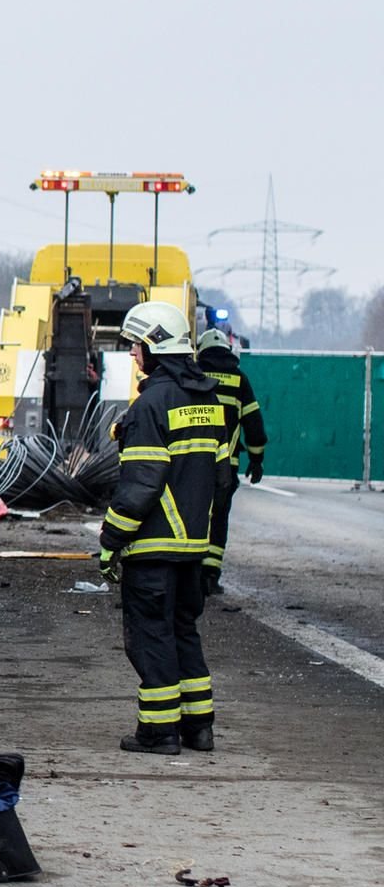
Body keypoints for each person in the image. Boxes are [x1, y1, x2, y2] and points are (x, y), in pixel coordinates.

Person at [98, 302, 228, 755]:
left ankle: (159, 732)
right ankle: (199, 729)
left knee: (151, 640)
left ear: (153, 347)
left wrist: (110, 539)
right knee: (183, 634)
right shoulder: (208, 402)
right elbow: (222, 478)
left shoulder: (150, 404)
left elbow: (140, 485)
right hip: (193, 548)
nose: (134, 355)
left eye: (136, 346)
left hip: (152, 549)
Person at [195, 328, 268, 592]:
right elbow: (254, 424)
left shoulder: (193, 374)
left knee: (192, 514)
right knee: (218, 517)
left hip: (192, 464)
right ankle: (210, 576)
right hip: (227, 467)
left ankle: (188, 575)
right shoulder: (239, 380)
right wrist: (257, 460)